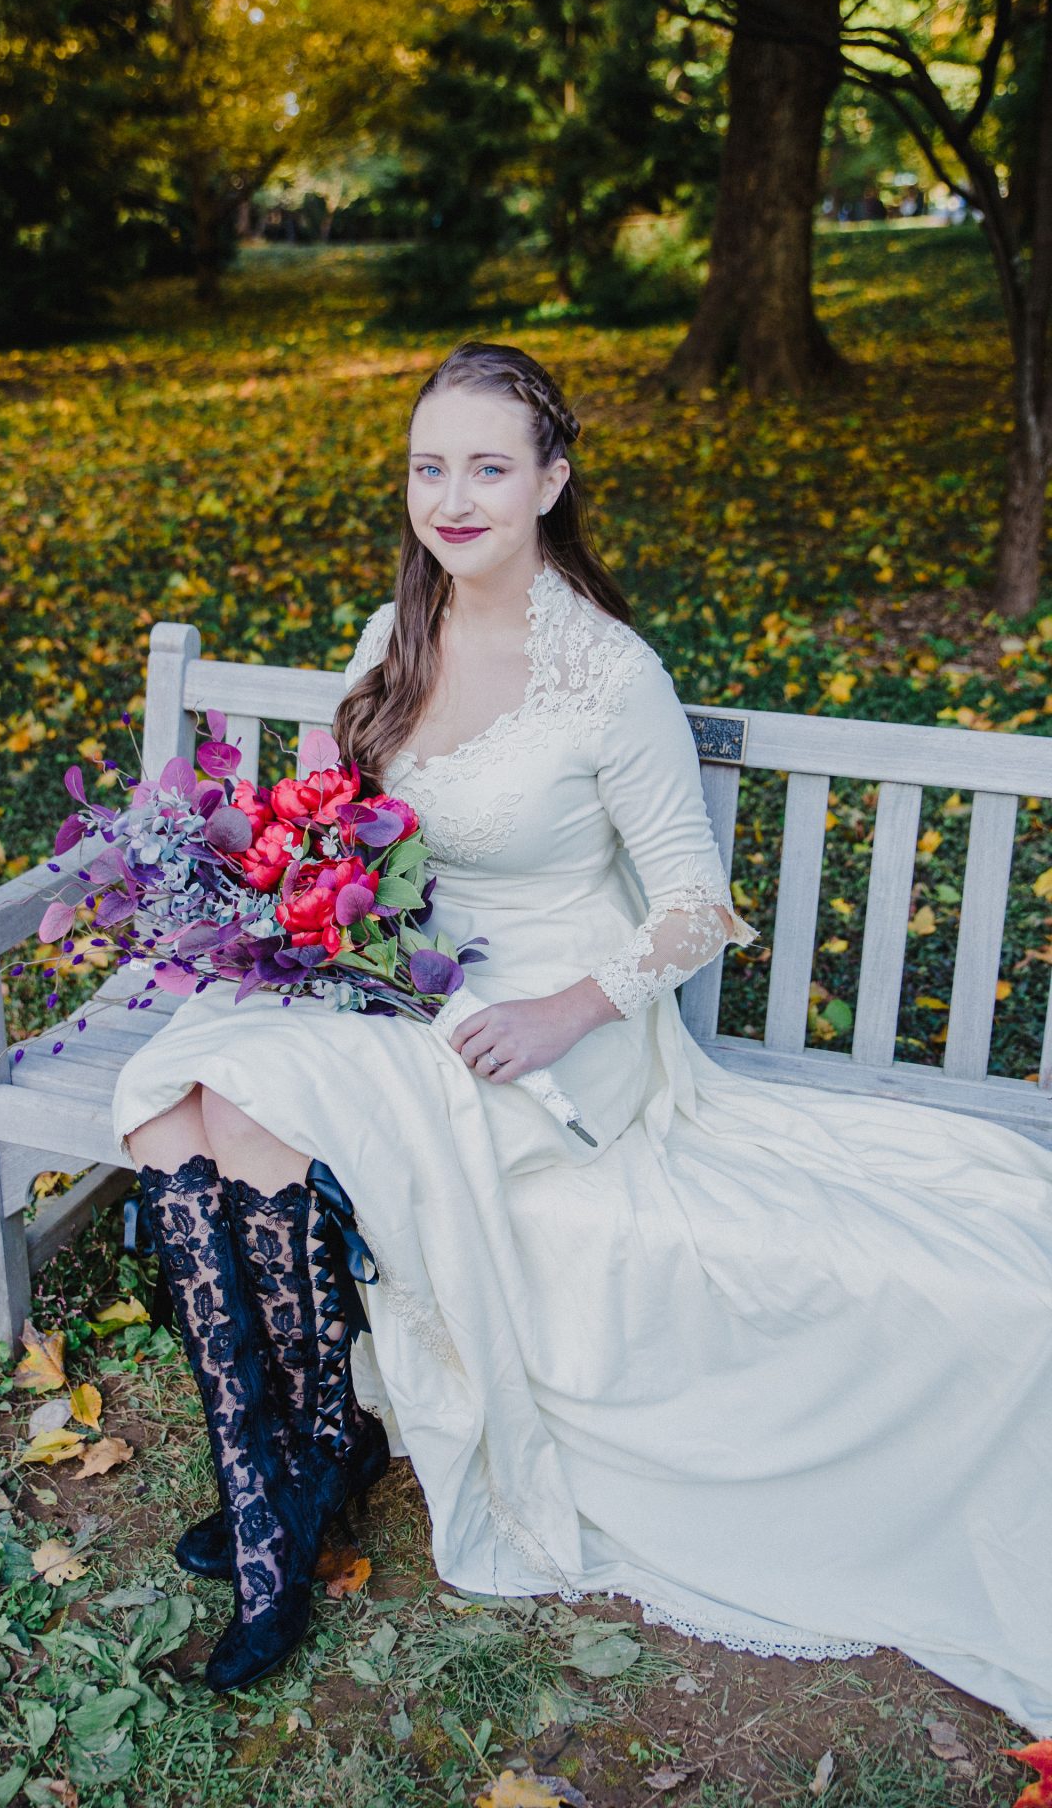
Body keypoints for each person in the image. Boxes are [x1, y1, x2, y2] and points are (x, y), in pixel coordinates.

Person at [113, 340, 1052, 1729]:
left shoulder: (609, 673)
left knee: (249, 1105)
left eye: (488, 466)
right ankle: (294, 1470)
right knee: (176, 1097)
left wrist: (561, 1013)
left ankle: (296, 1501)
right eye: (432, 466)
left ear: (550, 481)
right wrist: (303, 909)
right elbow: (338, 823)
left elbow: (692, 906)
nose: (454, 495)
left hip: (557, 1014)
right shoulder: (396, 634)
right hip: (405, 974)